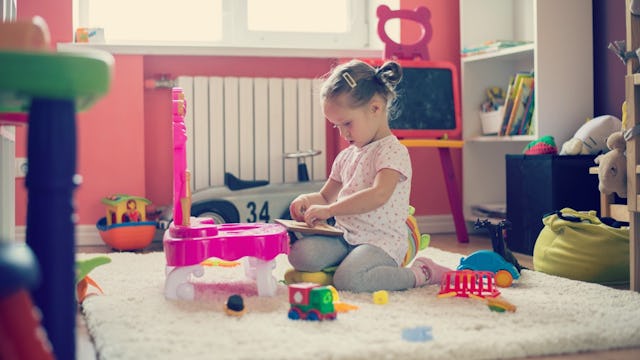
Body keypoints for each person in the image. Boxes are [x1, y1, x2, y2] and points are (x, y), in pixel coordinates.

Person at [288, 59, 451, 293]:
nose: (343, 133)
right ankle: (352, 263)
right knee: (300, 255)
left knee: (350, 280)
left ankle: (421, 273)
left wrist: (330, 211)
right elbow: (325, 198)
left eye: (347, 123)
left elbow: (379, 194)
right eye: (337, 126)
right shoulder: (346, 156)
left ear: (375, 108)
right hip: (345, 236)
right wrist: (305, 202)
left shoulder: (392, 151)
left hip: (380, 242)